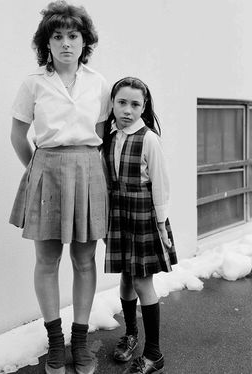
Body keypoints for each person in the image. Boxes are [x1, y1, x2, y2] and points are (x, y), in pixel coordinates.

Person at [9, 2, 110, 374]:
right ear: (46, 43)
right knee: (46, 261)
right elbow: (18, 135)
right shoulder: (34, 83)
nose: (66, 43)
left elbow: (100, 136)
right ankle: (55, 341)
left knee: (84, 260)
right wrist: (38, 170)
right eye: (58, 36)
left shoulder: (98, 83)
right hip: (46, 171)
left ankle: (80, 341)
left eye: (73, 36)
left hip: (87, 171)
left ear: (85, 42)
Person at [102, 77, 178, 374]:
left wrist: (160, 224)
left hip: (143, 215)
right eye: (122, 102)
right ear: (112, 104)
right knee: (125, 276)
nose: (128, 110)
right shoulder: (108, 137)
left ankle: (154, 354)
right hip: (118, 215)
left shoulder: (148, 139)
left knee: (142, 281)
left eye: (135, 104)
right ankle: (131, 335)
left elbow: (161, 184)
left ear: (144, 107)